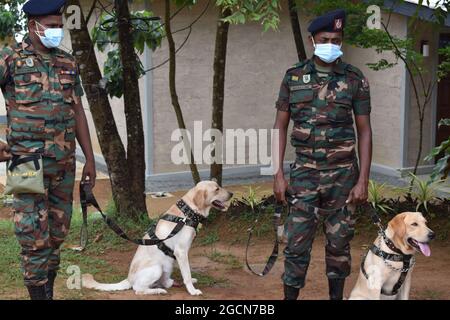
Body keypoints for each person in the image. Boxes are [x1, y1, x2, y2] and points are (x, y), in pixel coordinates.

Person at [273, 9, 373, 300]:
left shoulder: (355, 79)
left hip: (343, 178)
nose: (332, 43)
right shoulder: (293, 77)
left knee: (340, 246)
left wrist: (363, 180)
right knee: (296, 246)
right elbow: (279, 126)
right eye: (325, 38)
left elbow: (365, 131)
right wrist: (278, 174)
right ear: (312, 40)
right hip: (303, 175)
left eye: (336, 39)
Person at [0, 0, 96, 300]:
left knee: (56, 236)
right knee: (34, 238)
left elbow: (78, 111)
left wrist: (90, 160)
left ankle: (47, 293)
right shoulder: (10, 59)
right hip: (27, 165)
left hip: (64, 166)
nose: (57, 32)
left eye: (60, 26)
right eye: (52, 26)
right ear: (33, 26)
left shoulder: (67, 62)